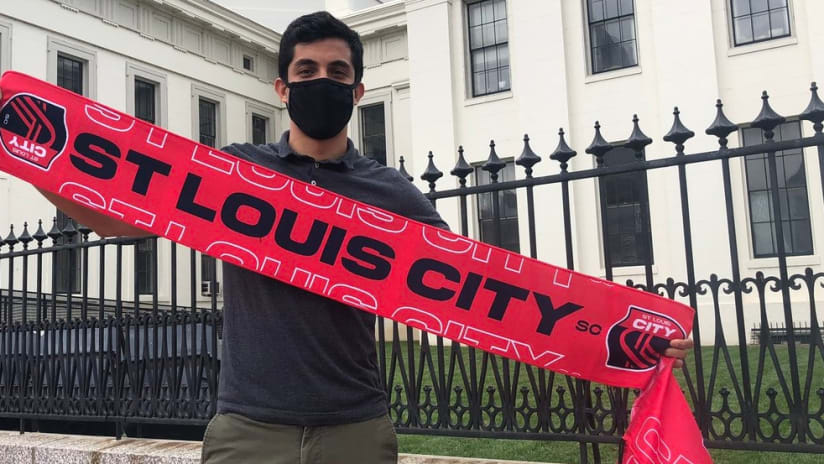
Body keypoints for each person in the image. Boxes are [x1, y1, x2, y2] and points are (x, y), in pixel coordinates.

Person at [5, 11, 694, 464]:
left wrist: (628, 338)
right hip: (249, 430)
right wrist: (33, 160)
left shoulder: (393, 195)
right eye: (307, 72)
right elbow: (119, 216)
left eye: (337, 73)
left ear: (358, 91)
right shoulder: (235, 174)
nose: (322, 82)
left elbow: (488, 296)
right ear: (282, 87)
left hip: (356, 431)